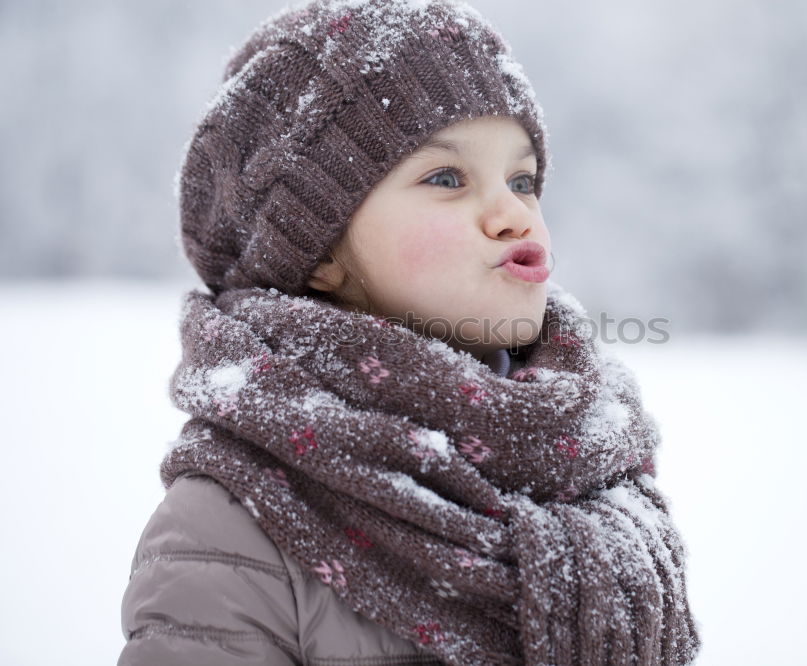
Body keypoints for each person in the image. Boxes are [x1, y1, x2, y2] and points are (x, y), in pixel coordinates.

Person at [118, 1, 702, 664]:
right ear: (321, 252)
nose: (514, 213)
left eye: (523, 180)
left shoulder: (596, 465)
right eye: (446, 178)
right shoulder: (233, 523)